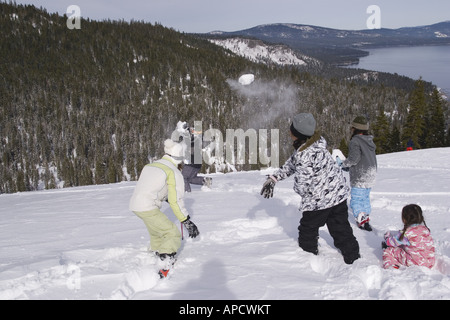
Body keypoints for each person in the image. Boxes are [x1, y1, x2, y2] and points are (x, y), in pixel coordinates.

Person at [261, 113, 360, 264]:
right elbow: (292, 163)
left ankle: (308, 259)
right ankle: (354, 257)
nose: (289, 131)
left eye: (291, 129)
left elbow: (302, 183)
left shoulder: (303, 155)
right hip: (338, 195)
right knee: (341, 229)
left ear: (297, 134)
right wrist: (275, 177)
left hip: (319, 200)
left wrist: (301, 192)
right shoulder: (316, 143)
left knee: (307, 229)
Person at [129, 139, 200, 278]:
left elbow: (151, 186)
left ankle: (155, 252)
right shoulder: (173, 172)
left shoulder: (152, 165)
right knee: (172, 233)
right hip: (148, 206)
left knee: (156, 232)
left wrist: (164, 197)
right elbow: (176, 201)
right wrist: (186, 221)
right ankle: (164, 265)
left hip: (135, 205)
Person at [340, 116, 377, 231]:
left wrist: (343, 164)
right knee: (365, 197)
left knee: (356, 199)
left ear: (355, 128)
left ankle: (362, 220)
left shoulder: (355, 141)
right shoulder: (369, 140)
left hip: (361, 174)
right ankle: (365, 215)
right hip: (371, 173)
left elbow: (354, 159)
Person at [382, 204, 435, 269]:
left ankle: (391, 266)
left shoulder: (407, 233)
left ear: (404, 219)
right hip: (430, 262)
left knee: (389, 250)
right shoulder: (425, 229)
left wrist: (387, 238)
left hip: (415, 263)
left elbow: (392, 242)